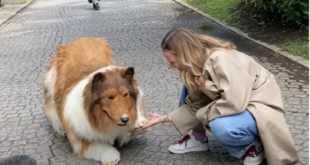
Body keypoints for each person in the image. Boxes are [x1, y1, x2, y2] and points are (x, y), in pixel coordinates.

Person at [138, 28, 299, 165]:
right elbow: (195, 103)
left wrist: (203, 115)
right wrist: (165, 118)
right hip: (239, 103)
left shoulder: (221, 59)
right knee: (189, 86)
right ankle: (197, 137)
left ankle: (253, 146)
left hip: (258, 105)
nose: (171, 66)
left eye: (173, 61)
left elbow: (235, 102)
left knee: (222, 127)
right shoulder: (196, 65)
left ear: (184, 55)